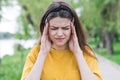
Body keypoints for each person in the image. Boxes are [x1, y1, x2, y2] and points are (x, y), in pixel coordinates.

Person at [21, 1, 102, 80]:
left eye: (65, 28)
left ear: (73, 28)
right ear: (46, 28)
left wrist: (77, 52)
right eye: (54, 28)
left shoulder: (85, 52)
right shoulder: (36, 52)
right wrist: (43, 53)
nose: (60, 33)